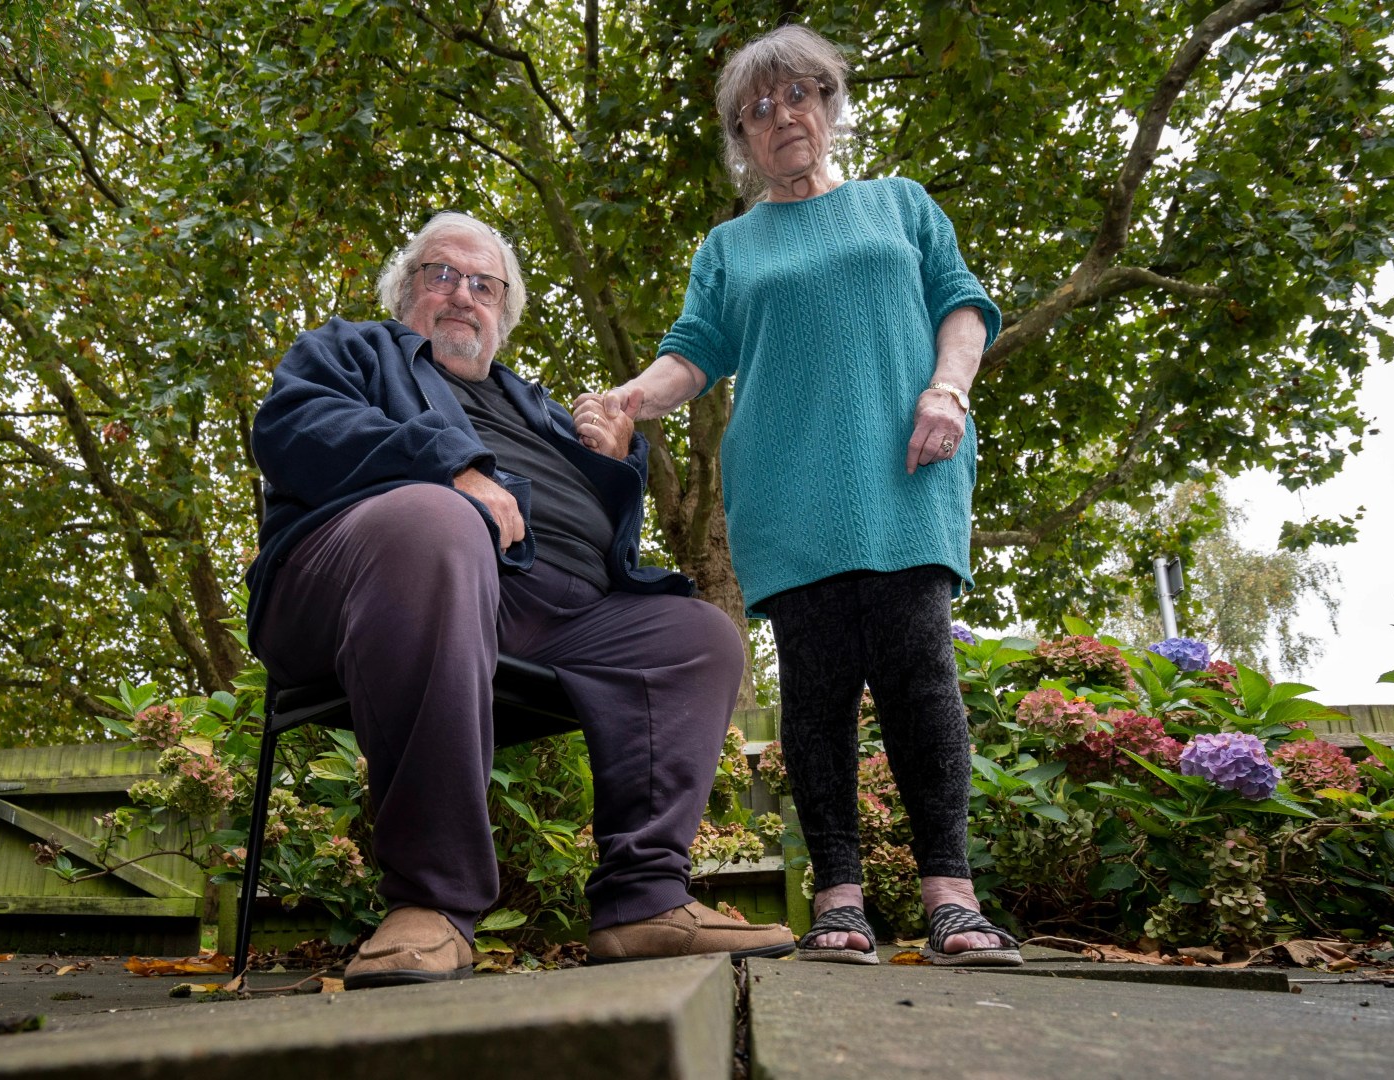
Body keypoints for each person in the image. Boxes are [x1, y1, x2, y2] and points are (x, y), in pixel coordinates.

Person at [243, 210, 796, 990]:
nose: (462, 295)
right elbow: (293, 430)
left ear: (503, 313)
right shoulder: (352, 349)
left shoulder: (534, 406)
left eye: (484, 285)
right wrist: (450, 469)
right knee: (440, 521)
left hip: (547, 618)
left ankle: (643, 903)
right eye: (441, 275)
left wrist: (610, 462)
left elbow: (600, 537)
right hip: (366, 582)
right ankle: (430, 904)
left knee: (697, 635)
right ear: (406, 293)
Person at [576, 25, 1021, 967]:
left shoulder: (899, 205)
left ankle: (951, 894)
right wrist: (627, 401)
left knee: (921, 678)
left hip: (907, 467)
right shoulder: (731, 246)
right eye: (758, 110)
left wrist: (948, 390)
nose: (783, 117)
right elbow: (693, 352)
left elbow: (963, 305)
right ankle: (839, 899)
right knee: (816, 696)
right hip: (788, 491)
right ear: (742, 140)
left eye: (799, 95)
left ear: (829, 102)